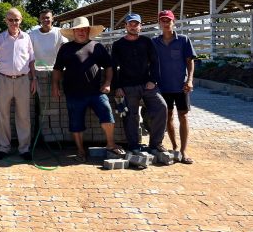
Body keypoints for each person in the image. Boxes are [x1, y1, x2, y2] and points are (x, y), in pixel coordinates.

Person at [52, 16, 125, 162]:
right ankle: (80, 150)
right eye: (78, 29)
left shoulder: (97, 46)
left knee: (107, 113)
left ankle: (110, 144)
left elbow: (109, 66)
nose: (81, 32)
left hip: (96, 91)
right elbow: (57, 69)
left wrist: (108, 83)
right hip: (73, 92)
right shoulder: (65, 48)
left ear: (88, 30)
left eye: (84, 29)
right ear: (73, 32)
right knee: (75, 122)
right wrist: (55, 85)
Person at [111, 13, 168, 154]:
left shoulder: (147, 42)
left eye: (136, 24)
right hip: (127, 86)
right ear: (125, 26)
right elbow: (113, 68)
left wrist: (152, 80)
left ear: (140, 27)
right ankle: (134, 145)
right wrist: (117, 87)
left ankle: (155, 144)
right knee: (131, 116)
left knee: (162, 107)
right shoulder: (118, 45)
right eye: (130, 23)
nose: (133, 26)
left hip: (146, 84)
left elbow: (155, 62)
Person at [0, 7, 37, 161]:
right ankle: (4, 148)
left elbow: (31, 60)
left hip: (23, 80)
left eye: (17, 19)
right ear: (6, 21)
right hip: (3, 80)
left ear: (21, 20)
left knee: (23, 116)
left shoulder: (27, 38)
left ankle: (24, 149)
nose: (14, 23)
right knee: (2, 115)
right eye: (11, 20)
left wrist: (34, 78)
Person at [152, 10, 196, 164]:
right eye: (162, 20)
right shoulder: (154, 42)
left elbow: (190, 61)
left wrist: (190, 80)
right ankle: (175, 147)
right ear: (159, 23)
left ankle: (184, 151)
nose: (165, 23)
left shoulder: (183, 40)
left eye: (168, 20)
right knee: (168, 116)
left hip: (181, 86)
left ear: (173, 22)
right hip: (163, 87)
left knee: (183, 116)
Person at [29, 9, 66, 137]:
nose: (46, 20)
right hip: (37, 73)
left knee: (53, 104)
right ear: (40, 20)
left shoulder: (59, 32)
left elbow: (64, 49)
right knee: (37, 105)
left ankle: (52, 134)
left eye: (48, 18)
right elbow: (27, 52)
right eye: (43, 18)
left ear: (53, 19)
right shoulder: (32, 34)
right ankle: (37, 134)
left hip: (54, 72)